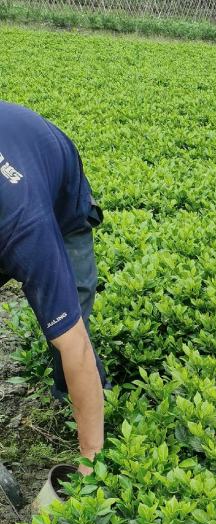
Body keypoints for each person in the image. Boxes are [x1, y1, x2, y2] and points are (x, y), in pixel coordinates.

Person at [0, 100, 106, 476]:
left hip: (59, 185)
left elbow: (72, 340)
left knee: (70, 311)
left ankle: (79, 401)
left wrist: (91, 461)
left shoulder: (25, 226)